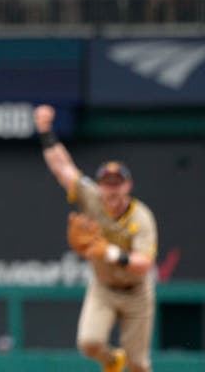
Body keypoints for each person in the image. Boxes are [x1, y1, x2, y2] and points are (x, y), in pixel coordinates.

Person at [34, 105, 158, 372]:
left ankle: (126, 362)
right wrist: (45, 132)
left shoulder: (141, 218)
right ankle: (112, 361)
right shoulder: (92, 197)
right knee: (89, 343)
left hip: (136, 292)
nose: (111, 189)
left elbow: (144, 263)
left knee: (138, 365)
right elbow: (62, 168)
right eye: (107, 183)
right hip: (103, 287)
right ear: (100, 185)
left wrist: (108, 252)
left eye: (117, 183)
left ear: (128, 186)